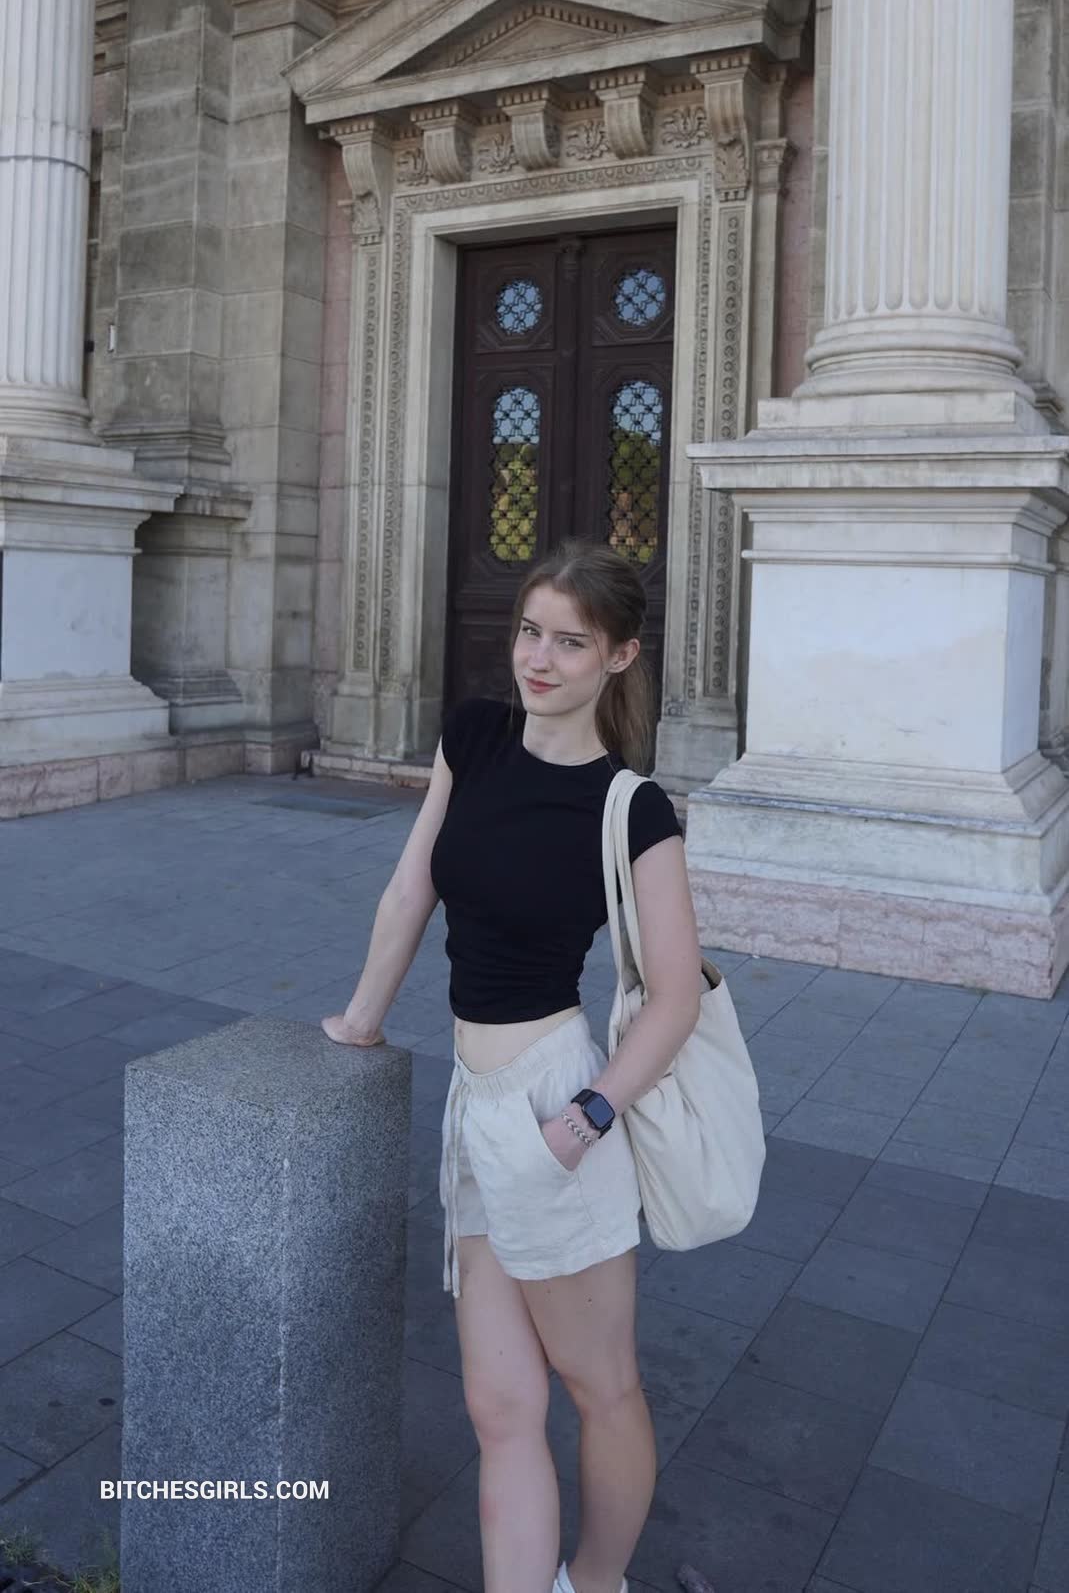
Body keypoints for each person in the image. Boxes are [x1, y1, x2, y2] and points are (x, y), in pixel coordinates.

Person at [323, 537, 703, 1593]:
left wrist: (586, 1116)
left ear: (618, 656)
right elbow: (413, 887)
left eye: (570, 643)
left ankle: (597, 1580)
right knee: (499, 1406)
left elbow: (675, 995)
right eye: (531, 631)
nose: (539, 658)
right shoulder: (475, 736)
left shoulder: (631, 807)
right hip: (475, 1104)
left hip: (552, 1101)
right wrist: (361, 1019)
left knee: (601, 1388)